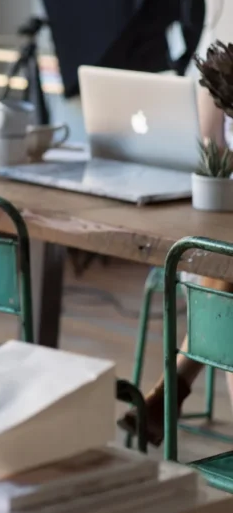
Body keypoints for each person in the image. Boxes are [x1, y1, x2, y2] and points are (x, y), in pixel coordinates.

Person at [117, 85, 233, 446]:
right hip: (224, 227)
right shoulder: (225, 64)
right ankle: (172, 389)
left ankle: (172, 388)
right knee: (221, 263)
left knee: (222, 270)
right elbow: (212, 154)